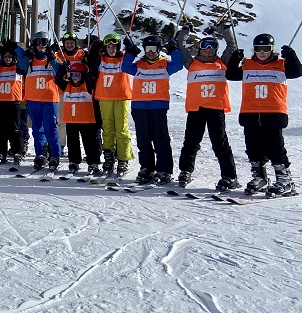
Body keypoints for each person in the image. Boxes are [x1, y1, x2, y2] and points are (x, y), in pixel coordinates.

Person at [226, 33, 302, 197]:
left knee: (275, 146)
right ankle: (260, 177)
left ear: (271, 50)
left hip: (273, 111)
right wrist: (234, 60)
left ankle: (285, 180)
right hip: (250, 112)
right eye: (258, 49)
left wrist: (291, 55)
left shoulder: (281, 64)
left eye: (266, 49)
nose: (262, 52)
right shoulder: (247, 65)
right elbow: (231, 75)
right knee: (253, 146)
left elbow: (297, 72)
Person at [174, 24, 238, 189]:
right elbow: (180, 46)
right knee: (191, 141)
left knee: (220, 143)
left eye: (212, 48)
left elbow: (232, 46)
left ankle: (229, 176)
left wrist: (225, 31)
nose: (208, 51)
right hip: (197, 109)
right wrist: (184, 33)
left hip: (216, 108)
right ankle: (185, 171)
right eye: (205, 48)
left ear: (216, 50)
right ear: (199, 49)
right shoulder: (191, 63)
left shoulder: (222, 63)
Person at [121, 35, 183, 184]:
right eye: (147, 49)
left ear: (159, 49)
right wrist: (130, 52)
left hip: (158, 107)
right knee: (143, 140)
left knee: (160, 138)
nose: (150, 52)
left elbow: (179, 64)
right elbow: (124, 67)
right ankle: (147, 168)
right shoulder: (138, 65)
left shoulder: (165, 64)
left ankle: (164, 170)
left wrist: (173, 50)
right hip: (139, 107)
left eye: (153, 49)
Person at [87, 33, 137, 176]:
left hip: (122, 97)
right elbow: (91, 60)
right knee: (107, 128)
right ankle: (109, 158)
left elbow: (133, 54)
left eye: (114, 47)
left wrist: (130, 46)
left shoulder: (123, 59)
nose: (111, 49)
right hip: (104, 97)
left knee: (121, 129)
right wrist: (95, 47)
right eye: (108, 47)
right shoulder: (100, 60)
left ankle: (123, 159)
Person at [17, 31, 63, 171]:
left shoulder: (51, 59)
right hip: (33, 99)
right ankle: (40, 154)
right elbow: (20, 68)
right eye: (38, 42)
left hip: (49, 100)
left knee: (50, 129)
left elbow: (60, 70)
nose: (41, 46)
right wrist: (26, 54)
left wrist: (52, 56)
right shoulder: (30, 60)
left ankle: (54, 155)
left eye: (44, 42)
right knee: (37, 130)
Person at [54, 61, 102, 175]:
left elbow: (93, 75)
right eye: (72, 75)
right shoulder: (67, 85)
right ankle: (74, 162)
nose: (74, 78)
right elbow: (57, 79)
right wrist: (63, 68)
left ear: (83, 75)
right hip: (71, 120)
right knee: (72, 142)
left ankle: (93, 163)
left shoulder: (88, 85)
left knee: (90, 142)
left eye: (77, 75)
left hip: (87, 120)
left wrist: (89, 63)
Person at [0, 42, 26, 166]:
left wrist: (15, 47)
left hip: (13, 102)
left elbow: (24, 59)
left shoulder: (18, 68)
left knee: (15, 129)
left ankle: (17, 151)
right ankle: (1, 152)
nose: (7, 59)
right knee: (0, 129)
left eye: (9, 56)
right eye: (5, 56)